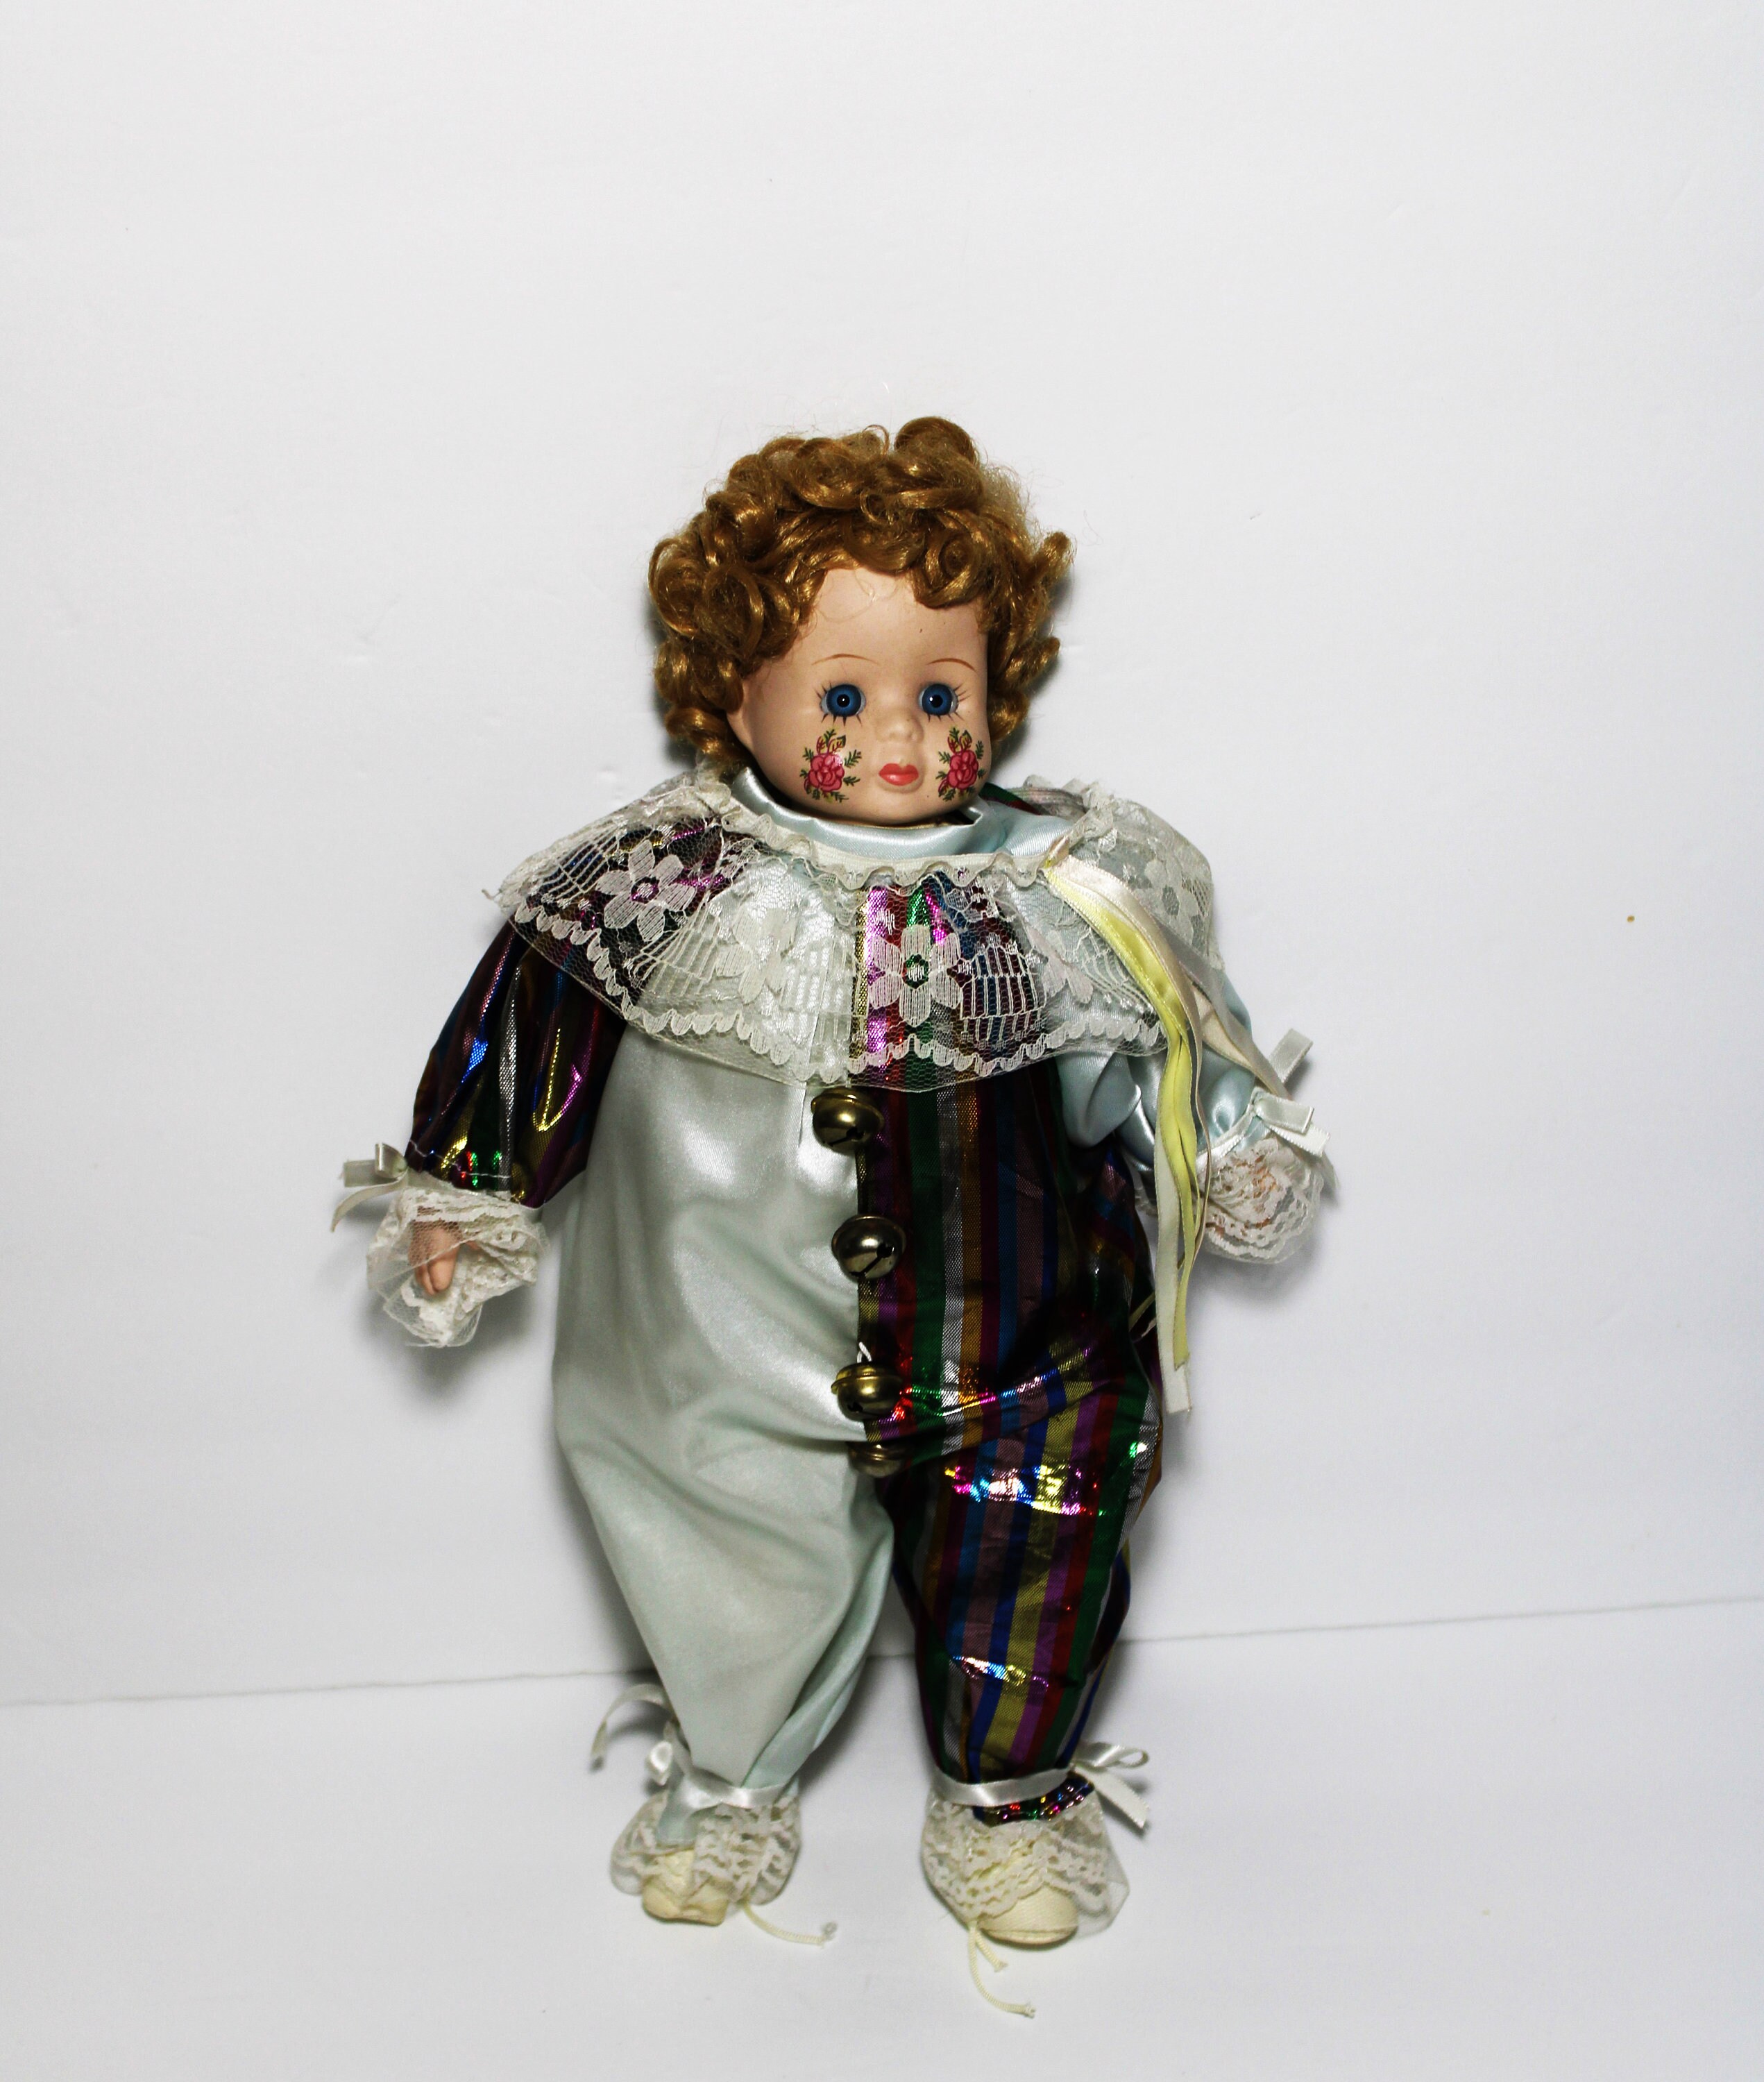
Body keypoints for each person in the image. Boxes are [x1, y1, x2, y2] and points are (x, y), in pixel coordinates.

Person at [345, 418, 1329, 2002]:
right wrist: (469, 1183)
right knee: (718, 1529)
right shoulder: (659, 882)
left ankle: (1008, 1794)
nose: (896, 734)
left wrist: (1229, 1144)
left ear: (999, 688)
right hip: (721, 1322)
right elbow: (530, 1030)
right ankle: (732, 1771)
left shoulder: (1075, 881)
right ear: (730, 695)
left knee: (1040, 1528)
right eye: (841, 696)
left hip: (1027, 1324)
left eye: (940, 694)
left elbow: (1176, 1029)